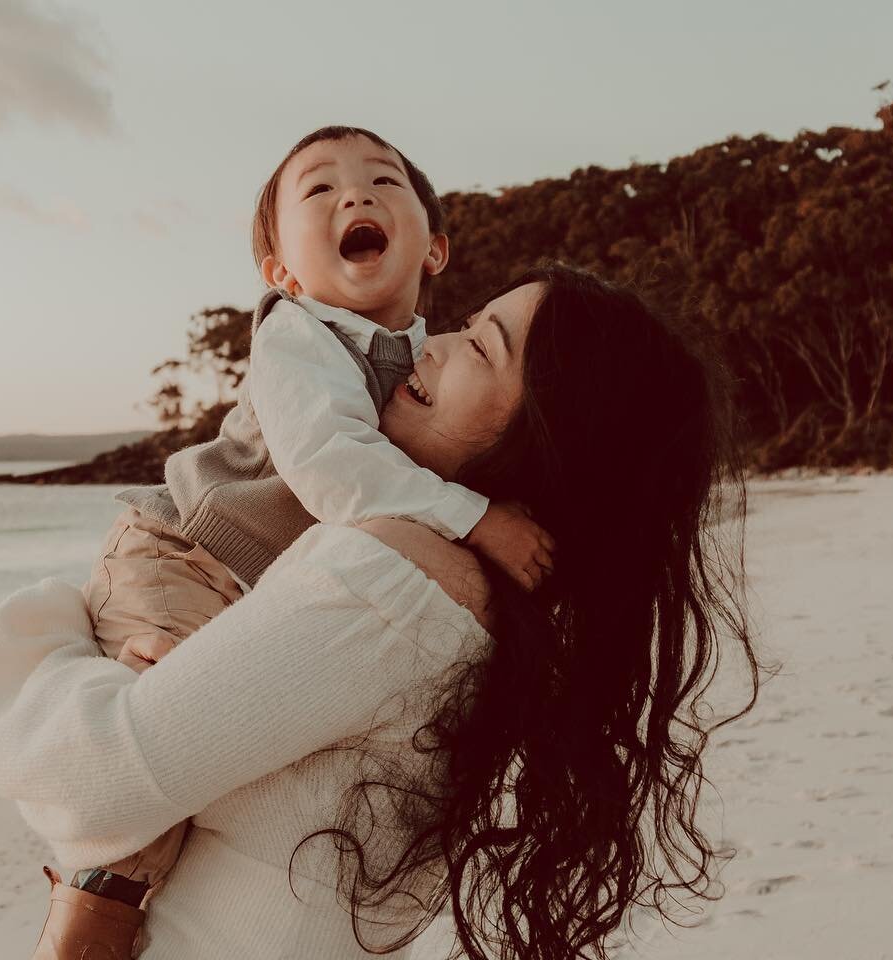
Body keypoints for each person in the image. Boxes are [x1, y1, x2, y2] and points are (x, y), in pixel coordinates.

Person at [0, 263, 760, 960]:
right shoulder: (488, 609)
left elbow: (87, 779)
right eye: (466, 322)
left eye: (483, 347)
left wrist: (57, 625)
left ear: (550, 438)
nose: (431, 344)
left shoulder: (388, 581)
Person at [37, 126, 553, 956]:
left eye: (385, 181)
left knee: (223, 744)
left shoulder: (430, 358)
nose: (356, 195)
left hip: (255, 578)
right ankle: (90, 915)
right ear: (281, 274)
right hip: (181, 551)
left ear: (437, 249)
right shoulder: (298, 337)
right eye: (318, 191)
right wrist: (478, 519)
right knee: (147, 768)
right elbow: (336, 473)